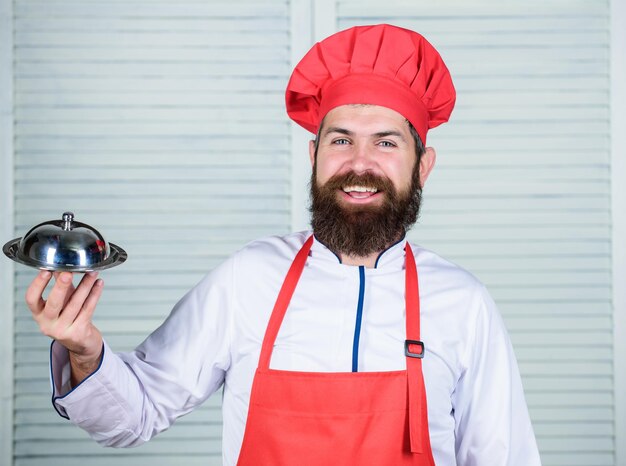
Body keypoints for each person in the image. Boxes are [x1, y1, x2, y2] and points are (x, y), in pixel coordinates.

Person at [25, 24, 542, 465]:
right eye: (341, 140)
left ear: (422, 166)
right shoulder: (249, 278)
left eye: (386, 142)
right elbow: (132, 417)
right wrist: (84, 351)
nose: (360, 164)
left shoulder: (463, 303)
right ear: (314, 154)